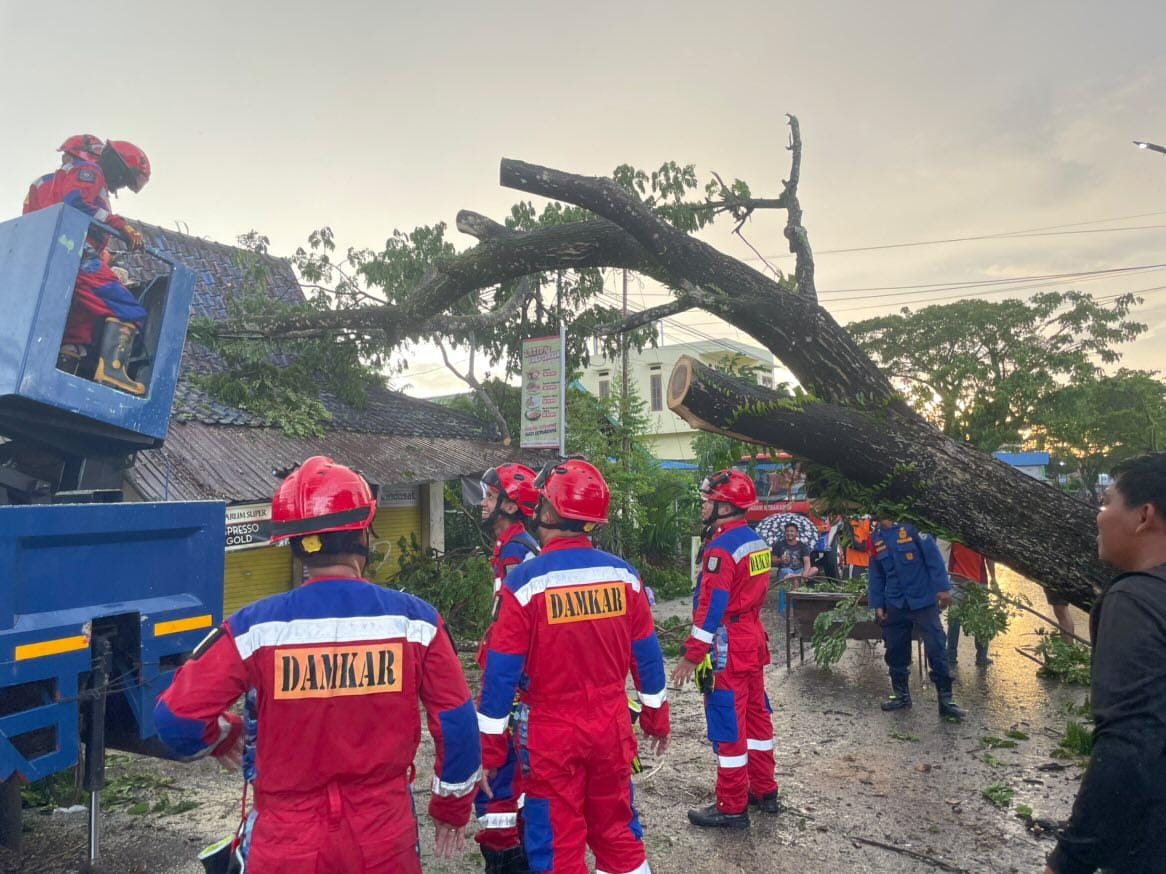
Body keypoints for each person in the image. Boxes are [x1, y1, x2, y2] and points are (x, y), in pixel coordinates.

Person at [155, 457, 481, 873]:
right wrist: (451, 807)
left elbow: (176, 720)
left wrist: (224, 734)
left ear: (294, 544)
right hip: (383, 838)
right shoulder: (417, 624)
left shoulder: (253, 629)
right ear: (363, 533)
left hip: (287, 843)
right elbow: (457, 724)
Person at [477, 458, 670, 874]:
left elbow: (500, 677)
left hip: (551, 734)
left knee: (557, 844)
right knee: (618, 832)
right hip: (611, 725)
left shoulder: (525, 584)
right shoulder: (624, 576)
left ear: (548, 510)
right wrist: (656, 717)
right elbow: (648, 658)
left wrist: (489, 749)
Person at [1046, 454, 1166, 874]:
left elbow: (1130, 746)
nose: (1098, 516)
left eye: (1106, 501)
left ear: (1144, 516)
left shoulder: (1135, 602)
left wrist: (1068, 860)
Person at [670, 469, 779, 830]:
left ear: (726, 506)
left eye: (709, 501)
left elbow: (712, 607)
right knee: (757, 718)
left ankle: (731, 806)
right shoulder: (755, 541)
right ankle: (764, 791)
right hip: (752, 638)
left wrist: (692, 654)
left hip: (727, 644)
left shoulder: (721, 548)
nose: (703, 506)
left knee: (727, 723)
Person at [23, 138, 151, 394]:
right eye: (124, 180)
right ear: (118, 167)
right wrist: (120, 225)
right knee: (128, 309)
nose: (120, 187)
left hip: (53, 254)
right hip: (78, 255)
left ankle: (63, 370)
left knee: (79, 325)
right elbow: (76, 203)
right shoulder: (89, 171)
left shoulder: (46, 182)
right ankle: (113, 373)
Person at [474, 464, 540, 874]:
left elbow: (514, 628)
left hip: (512, 674)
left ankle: (505, 854)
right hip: (513, 669)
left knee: (499, 765)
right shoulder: (511, 547)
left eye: (490, 496)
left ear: (511, 505)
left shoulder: (517, 552)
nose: (483, 503)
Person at [868, 516, 967, 721]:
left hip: (923, 599)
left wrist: (942, 588)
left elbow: (933, 558)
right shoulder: (876, 537)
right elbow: (876, 573)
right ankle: (901, 696)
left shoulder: (913, 527)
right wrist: (878, 604)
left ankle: (946, 701)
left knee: (937, 648)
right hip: (895, 602)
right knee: (895, 649)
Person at [945, 542, 997, 666]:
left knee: (954, 619)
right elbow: (989, 557)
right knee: (981, 620)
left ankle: (951, 656)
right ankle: (981, 657)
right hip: (977, 581)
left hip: (957, 579)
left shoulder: (955, 533)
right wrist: (993, 578)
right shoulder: (981, 535)